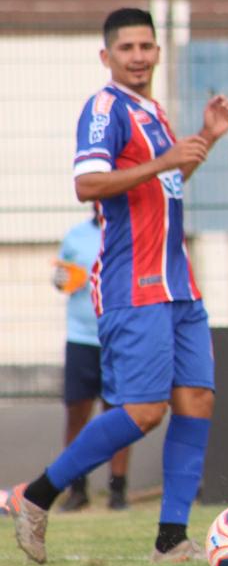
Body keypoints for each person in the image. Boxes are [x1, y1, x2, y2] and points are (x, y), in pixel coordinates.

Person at [10, 7, 228, 565]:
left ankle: (171, 539)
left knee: (197, 399)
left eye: (146, 46)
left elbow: (166, 184)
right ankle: (36, 495)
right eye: (127, 48)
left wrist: (205, 139)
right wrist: (164, 161)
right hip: (133, 281)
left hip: (179, 283)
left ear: (158, 51)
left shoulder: (153, 112)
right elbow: (87, 183)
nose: (138, 56)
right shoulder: (105, 108)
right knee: (143, 411)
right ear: (106, 56)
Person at [52, 211, 130, 512]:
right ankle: (77, 489)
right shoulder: (76, 235)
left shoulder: (130, 230)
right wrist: (66, 278)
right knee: (77, 414)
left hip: (120, 336)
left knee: (120, 414)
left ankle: (118, 491)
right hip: (81, 338)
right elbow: (60, 280)